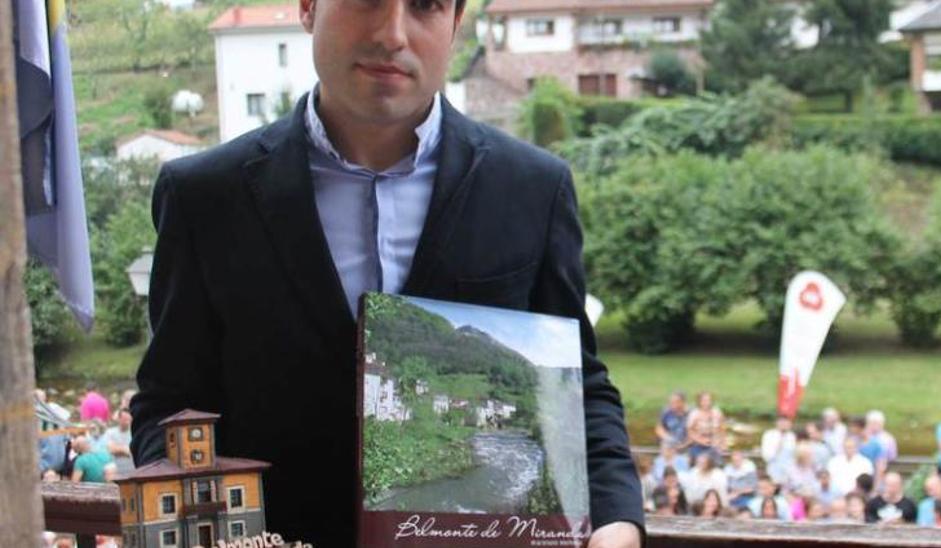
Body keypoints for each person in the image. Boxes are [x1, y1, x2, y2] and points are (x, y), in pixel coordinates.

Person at [127, 0, 644, 543]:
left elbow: (576, 387)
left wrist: (618, 523)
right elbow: (169, 406)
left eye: (425, 6)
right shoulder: (205, 197)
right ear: (308, 7)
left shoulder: (533, 190)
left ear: (456, 22)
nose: (392, 32)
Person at [686, 392, 726, 463]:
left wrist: (722, 443)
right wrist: (700, 440)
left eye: (708, 400)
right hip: (698, 444)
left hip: (714, 444)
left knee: (718, 461)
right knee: (699, 460)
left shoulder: (717, 412)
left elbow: (722, 428)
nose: (706, 403)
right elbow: (689, 431)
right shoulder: (694, 414)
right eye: (704, 401)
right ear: (699, 402)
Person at [761, 415, 797, 482]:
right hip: (773, 472)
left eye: (787, 423)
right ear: (777, 423)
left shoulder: (792, 436)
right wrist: (778, 446)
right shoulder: (769, 435)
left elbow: (794, 456)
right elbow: (766, 457)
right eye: (782, 423)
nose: (785, 425)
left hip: (789, 474)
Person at [100, 408, 133, 473]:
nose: (127, 422)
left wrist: (118, 448)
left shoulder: (133, 433)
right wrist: (125, 449)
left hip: (131, 468)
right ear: (119, 419)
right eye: (125, 419)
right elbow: (111, 449)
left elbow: (133, 451)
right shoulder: (110, 432)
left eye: (129, 419)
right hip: (115, 469)